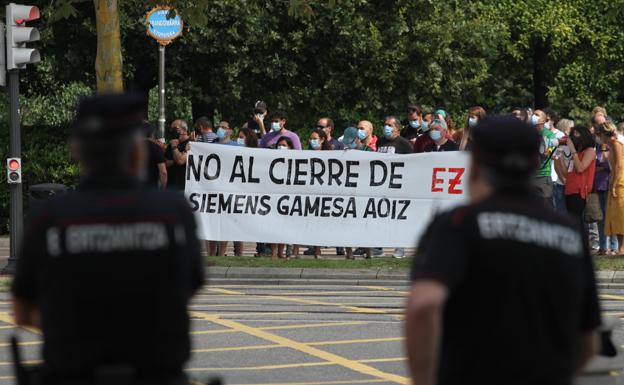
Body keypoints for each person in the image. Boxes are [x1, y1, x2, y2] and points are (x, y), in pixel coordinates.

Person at [11, 93, 204, 385]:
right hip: (157, 374)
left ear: (76, 150)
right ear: (138, 153)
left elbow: (23, 310)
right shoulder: (173, 213)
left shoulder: (49, 217)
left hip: (72, 373)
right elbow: (189, 285)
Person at [406, 115, 600, 385]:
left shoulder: (458, 224)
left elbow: (424, 304)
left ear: (474, 167)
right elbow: (588, 341)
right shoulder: (569, 232)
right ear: (533, 165)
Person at [557, 125, 596, 223]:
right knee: (571, 221)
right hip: (570, 190)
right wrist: (560, 157)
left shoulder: (590, 151)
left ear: (584, 136)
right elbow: (567, 173)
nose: (574, 137)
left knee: (577, 222)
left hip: (580, 193)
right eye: (573, 134)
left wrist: (572, 150)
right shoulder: (577, 154)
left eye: (577, 134)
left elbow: (580, 168)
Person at [596, 122, 624, 254]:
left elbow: (619, 165)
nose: (599, 137)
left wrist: (614, 185)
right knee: (615, 215)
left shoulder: (617, 144)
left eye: (599, 135)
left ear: (603, 134)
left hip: (620, 182)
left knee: (620, 214)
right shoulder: (611, 145)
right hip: (614, 180)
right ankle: (620, 247)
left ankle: (622, 248)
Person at [594, 135, 618, 255]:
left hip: (610, 184)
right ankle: (603, 247)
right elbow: (593, 165)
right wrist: (599, 168)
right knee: (601, 217)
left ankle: (615, 247)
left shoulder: (612, 146)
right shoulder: (597, 146)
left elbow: (609, 166)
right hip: (598, 185)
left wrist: (604, 151)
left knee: (612, 216)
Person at [531, 109, 558, 207]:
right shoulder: (529, 132)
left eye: (537, 115)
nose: (534, 116)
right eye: (533, 114)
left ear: (543, 119)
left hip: (543, 177)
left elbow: (547, 154)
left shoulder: (550, 135)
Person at [552, 119, 574, 212]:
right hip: (561, 184)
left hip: (573, 186)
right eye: (571, 128)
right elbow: (556, 164)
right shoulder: (559, 145)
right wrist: (563, 180)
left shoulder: (578, 145)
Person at [164, 119, 191, 191]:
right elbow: (165, 163)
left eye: (176, 128)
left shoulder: (190, 143)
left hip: (183, 188)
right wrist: (176, 159)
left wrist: (174, 148)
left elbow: (180, 161)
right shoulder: (171, 144)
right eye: (171, 128)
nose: (173, 131)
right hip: (170, 186)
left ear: (184, 130)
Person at [144, 122, 167, 189]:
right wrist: (162, 189)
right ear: (152, 134)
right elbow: (163, 172)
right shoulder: (156, 148)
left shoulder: (132, 147)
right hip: (151, 189)